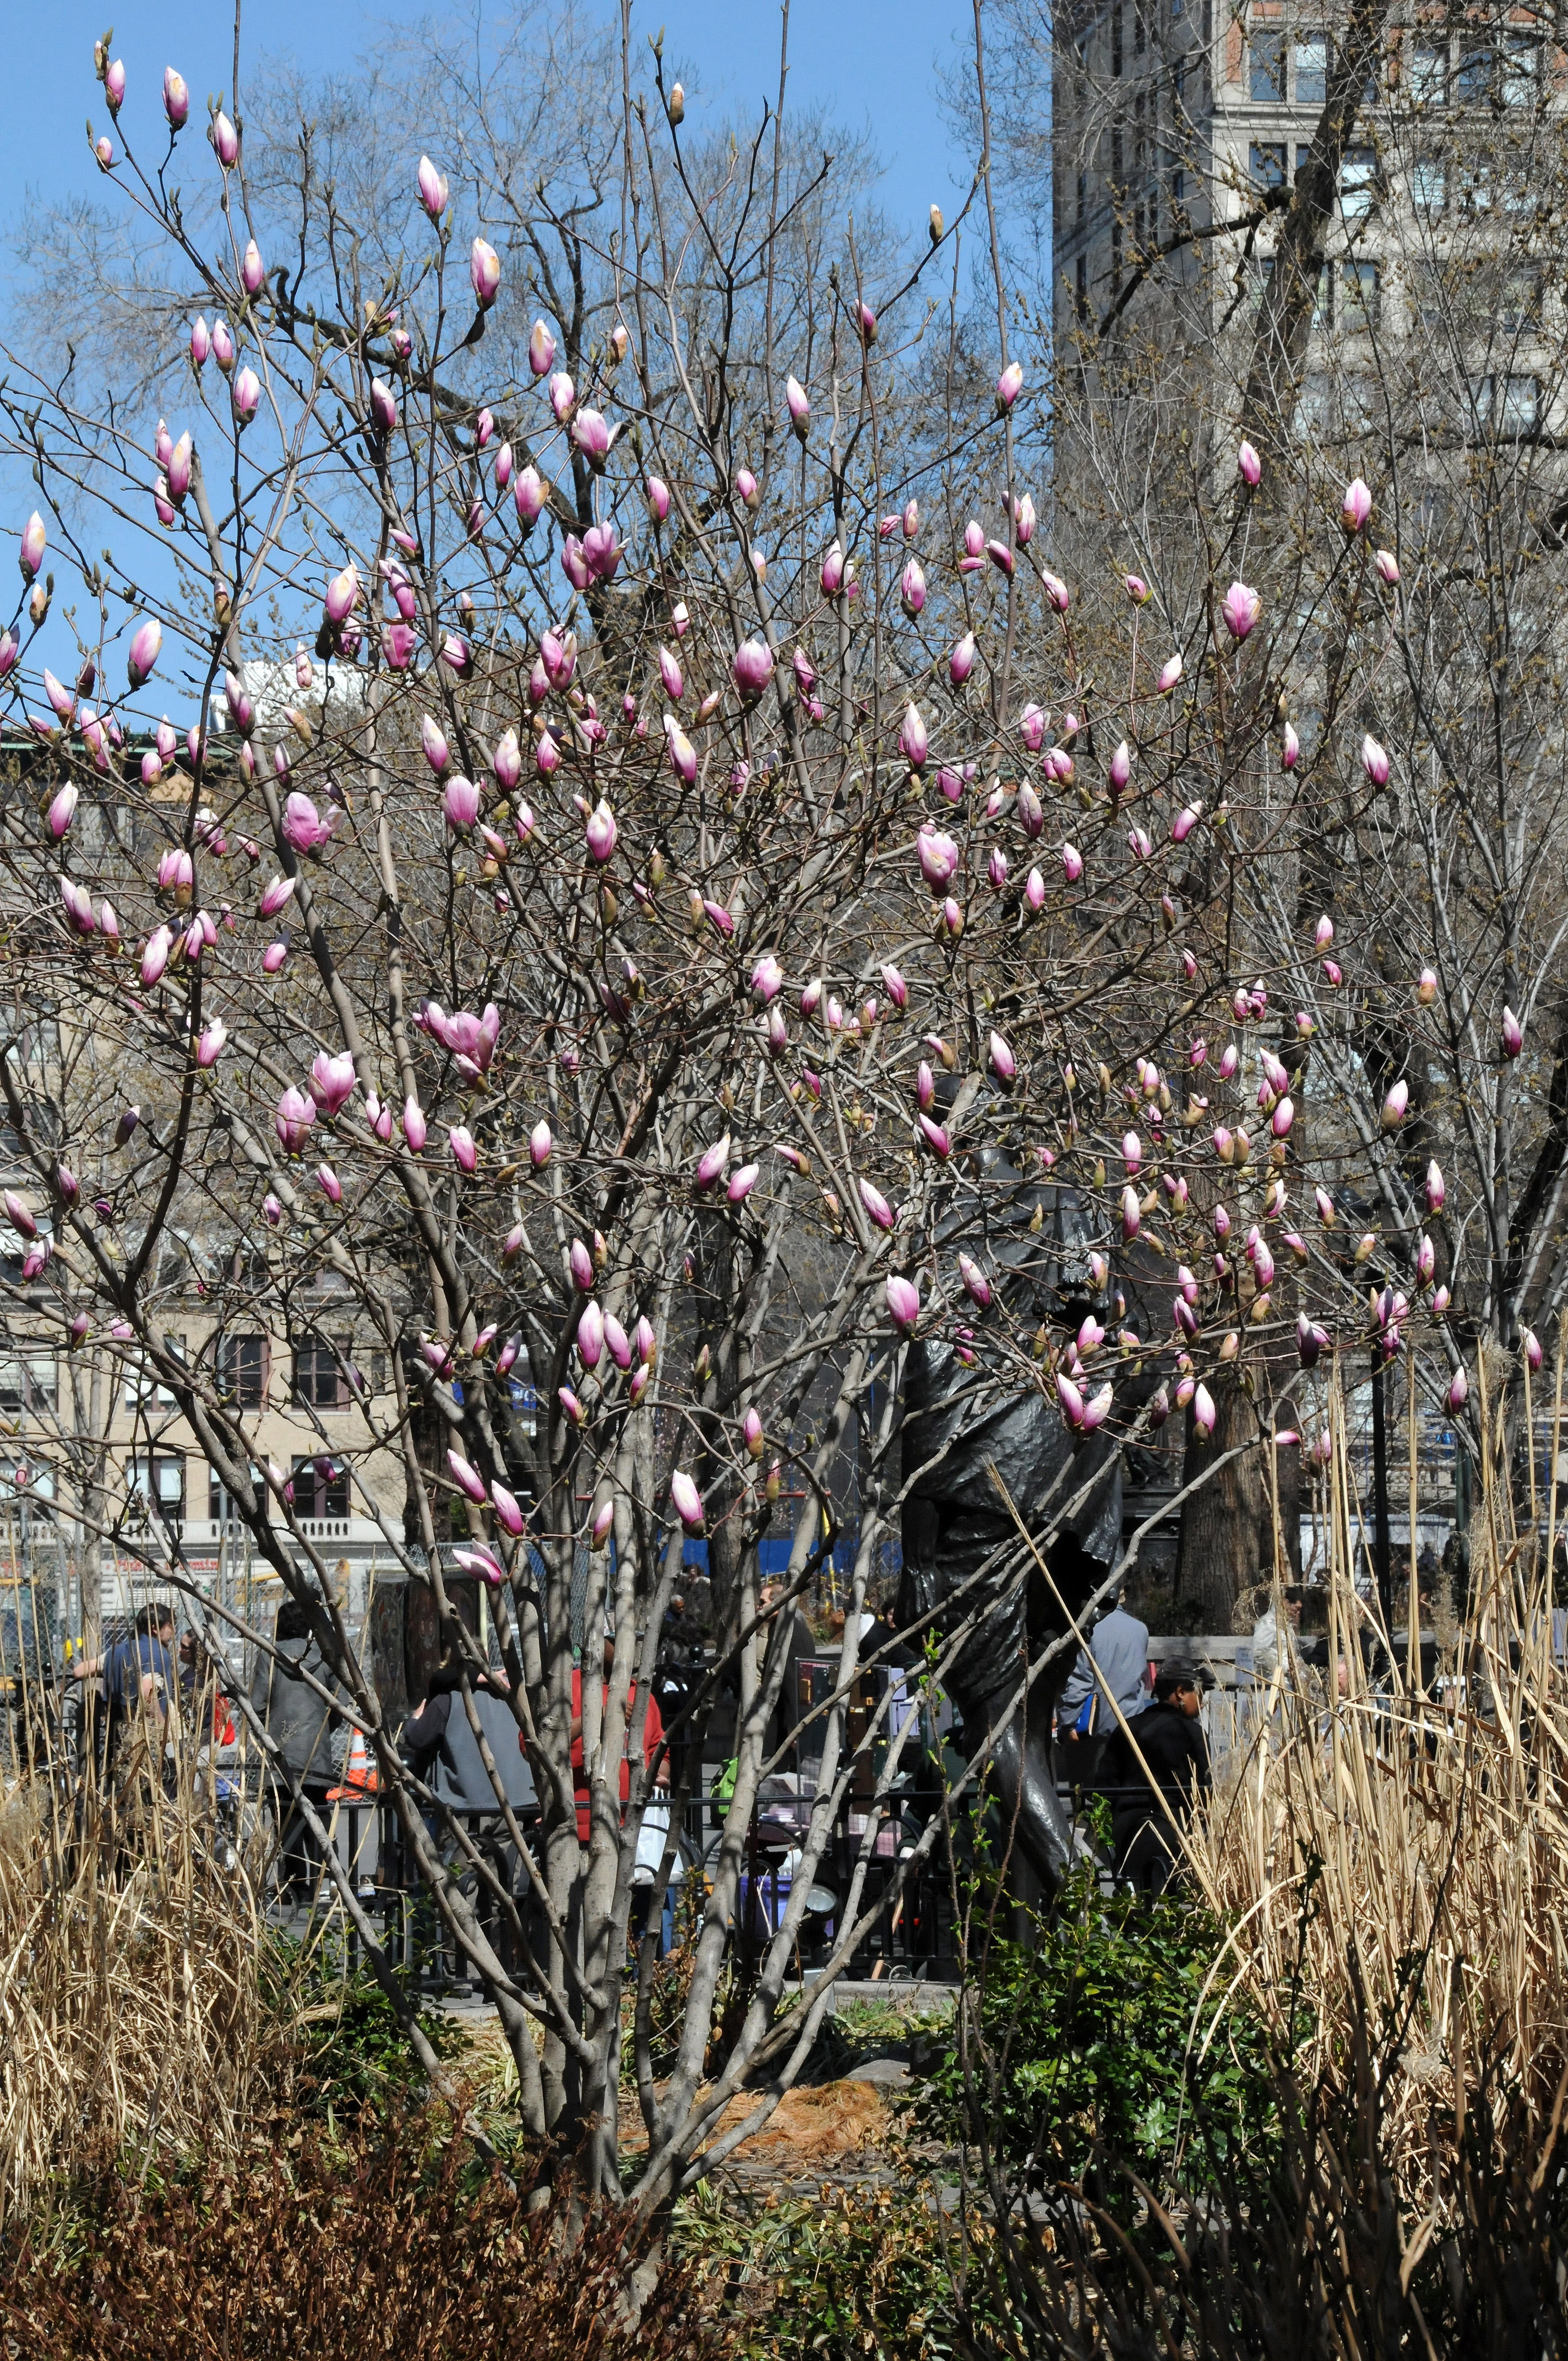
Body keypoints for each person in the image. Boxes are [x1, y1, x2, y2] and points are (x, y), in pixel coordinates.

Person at [1097, 1658, 1211, 1894]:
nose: (1202, 1703)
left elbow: (1104, 1787)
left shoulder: (1128, 1728)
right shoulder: (1192, 1734)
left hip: (1124, 1833)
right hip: (1175, 1837)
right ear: (1181, 1692)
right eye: (1199, 1694)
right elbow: (1206, 1792)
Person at [1056, 1590, 1151, 1772]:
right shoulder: (1140, 1629)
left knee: (1086, 1794)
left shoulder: (1086, 1629)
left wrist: (1067, 1724)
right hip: (1132, 1724)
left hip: (1091, 1729)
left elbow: (1080, 1682)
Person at [101, 1603, 177, 1785]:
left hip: (119, 1743)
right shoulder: (157, 1652)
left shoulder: (117, 1651)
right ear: (155, 1628)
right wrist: (162, 1726)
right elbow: (147, 1692)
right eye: (170, 1625)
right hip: (145, 1744)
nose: (173, 1631)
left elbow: (80, 1671)